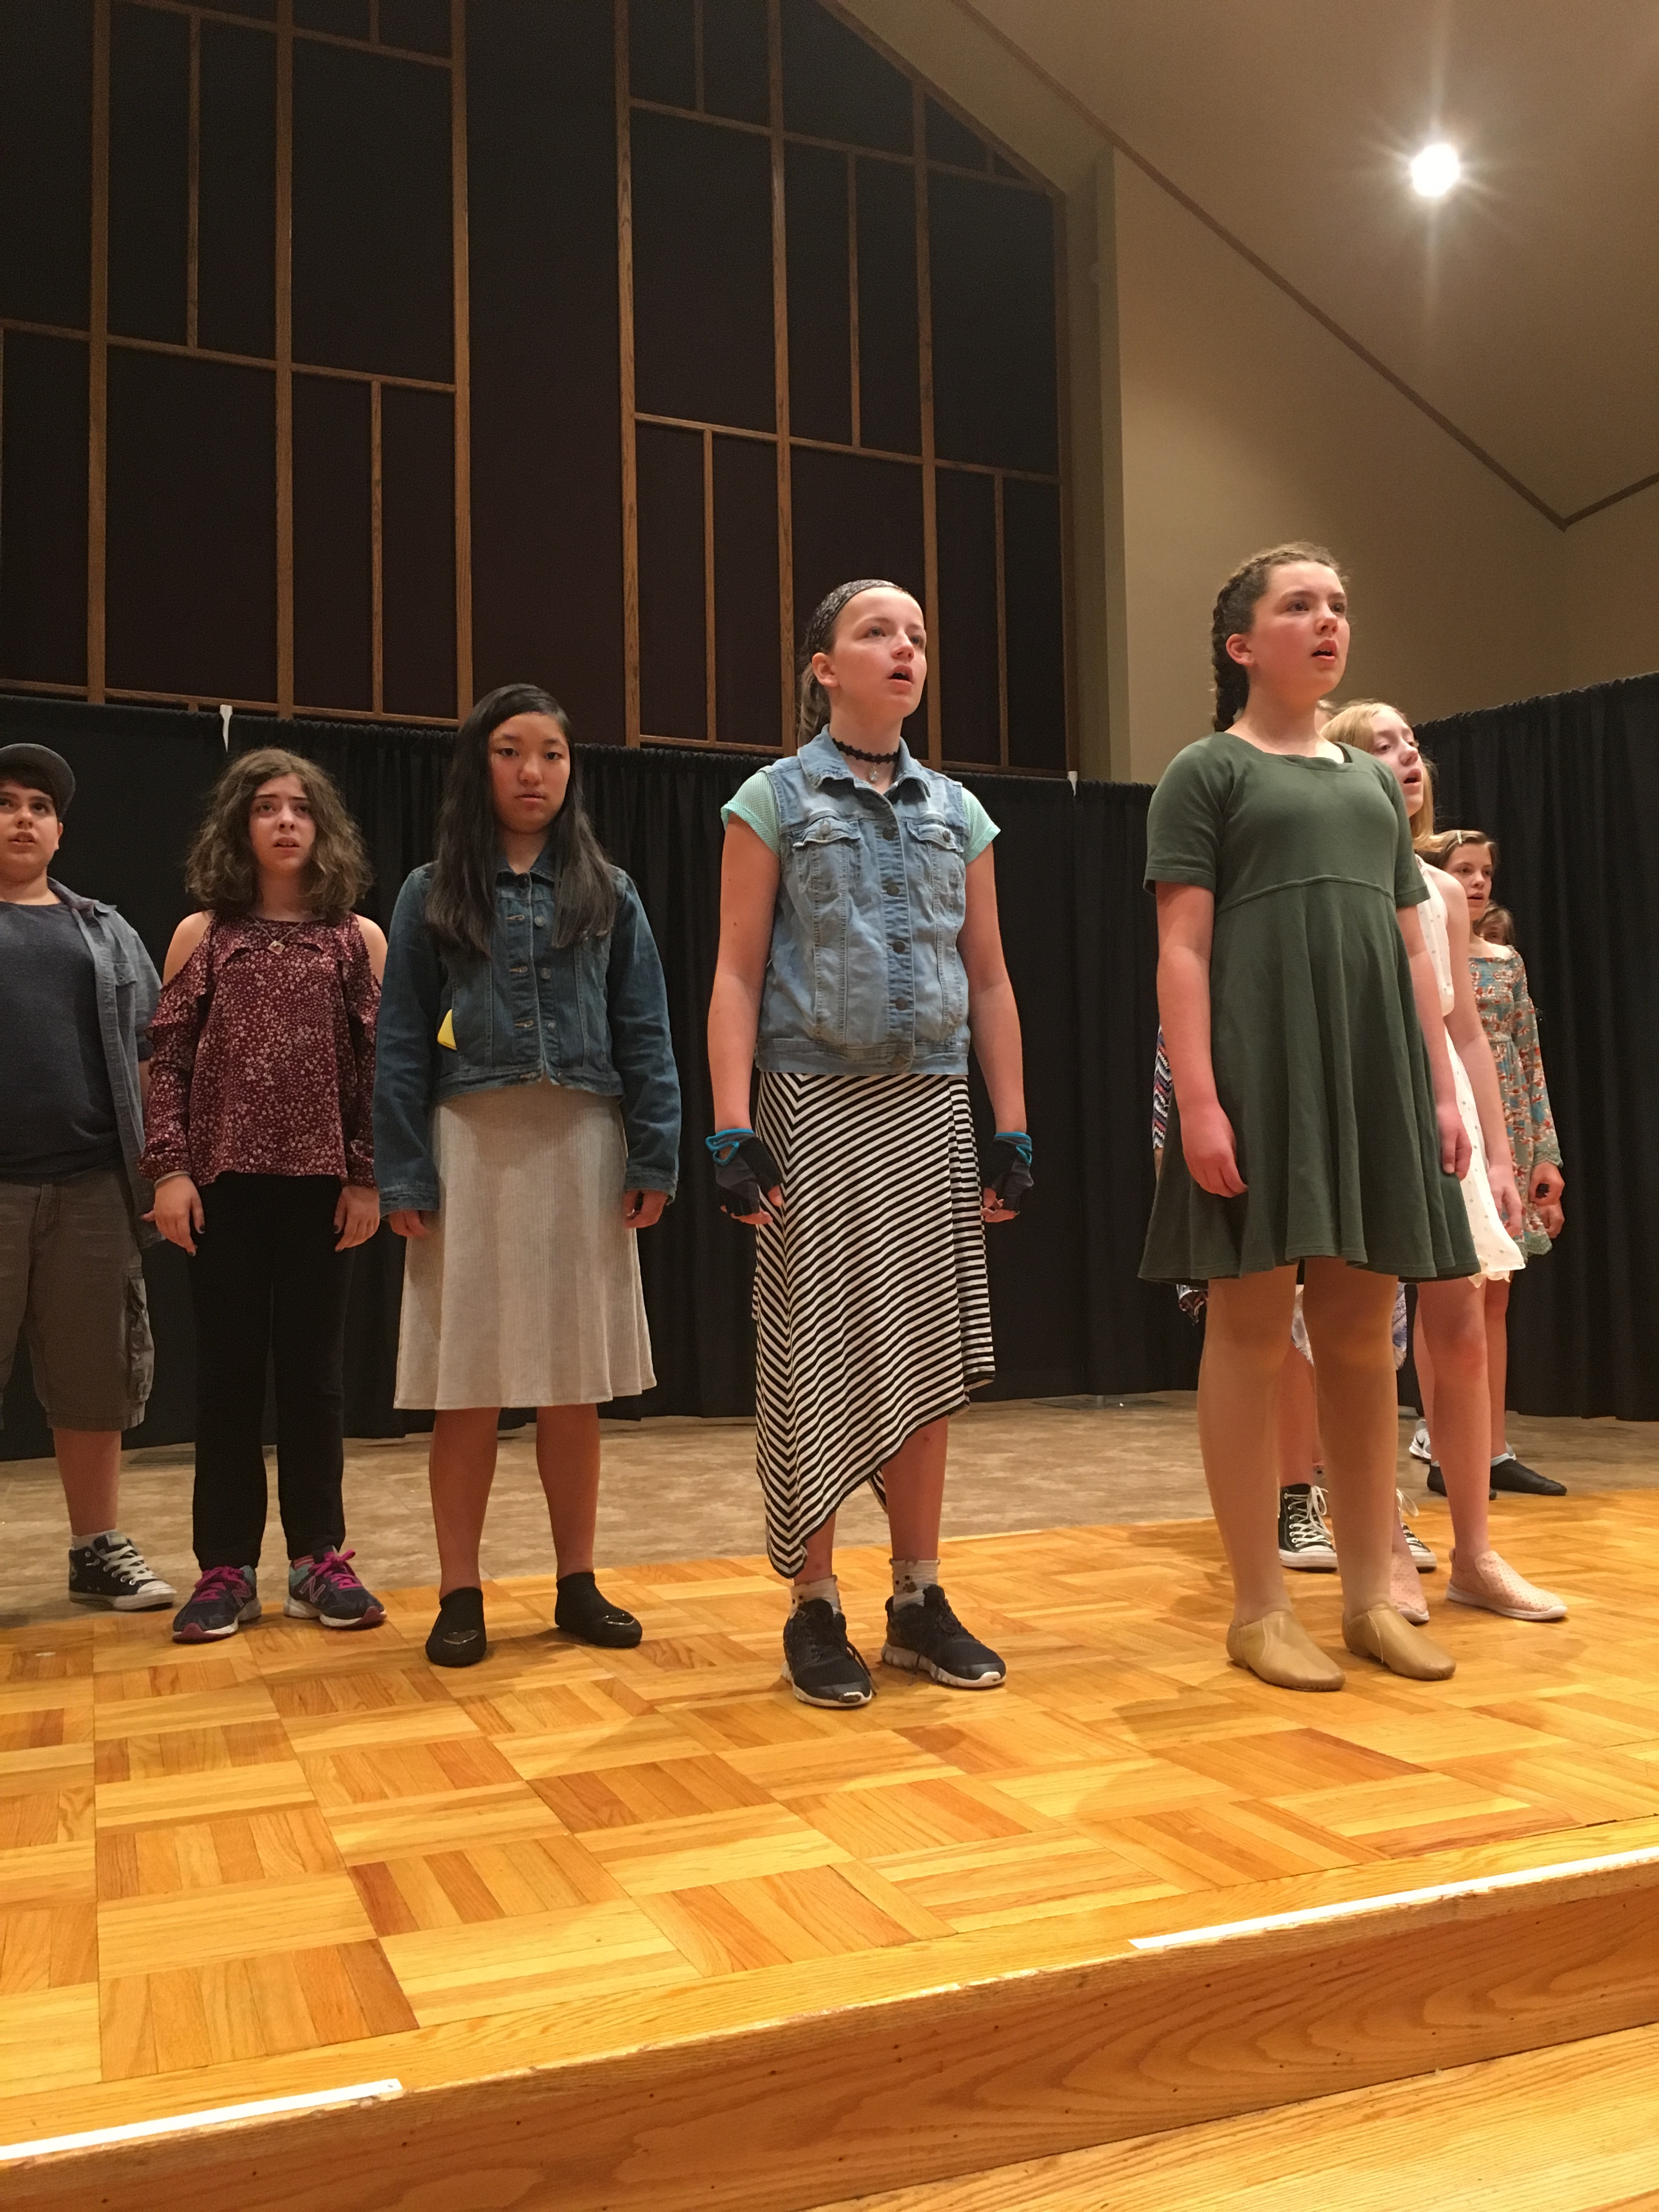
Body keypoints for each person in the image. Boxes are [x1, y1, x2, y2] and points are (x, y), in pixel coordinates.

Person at [1142, 543, 1477, 1692]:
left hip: (1369, 1074)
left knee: (1358, 1338)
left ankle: (1370, 1595)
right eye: (1299, 605)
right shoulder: (1205, 772)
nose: (1328, 620)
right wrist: (1199, 1099)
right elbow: (1181, 949)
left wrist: (1436, 1086)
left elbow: (1410, 945)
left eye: (1337, 604)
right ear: (1242, 644)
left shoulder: (1372, 787)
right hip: (1259, 1072)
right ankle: (1256, 1607)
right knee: (1247, 1331)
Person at [707, 579, 1030, 1711]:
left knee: (927, 1355)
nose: (904, 649)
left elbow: (989, 979)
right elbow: (736, 970)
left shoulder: (960, 812)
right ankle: (813, 1602)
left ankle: (917, 1599)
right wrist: (732, 1125)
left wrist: (1011, 1124)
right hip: (813, 1100)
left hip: (931, 1104)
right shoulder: (772, 799)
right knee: (814, 1350)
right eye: (877, 632)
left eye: (918, 637)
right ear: (823, 665)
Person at [375, 684, 679, 1669]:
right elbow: (400, 1043)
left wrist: (654, 1151)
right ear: (480, 765)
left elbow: (645, 1030)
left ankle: (576, 1582)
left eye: (552, 752)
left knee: (572, 1384)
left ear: (570, 770)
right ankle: (458, 1591)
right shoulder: (430, 890)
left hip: (582, 1140)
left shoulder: (608, 890)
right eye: (511, 750)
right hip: (467, 1142)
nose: (533, 771)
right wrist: (403, 1172)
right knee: (465, 1383)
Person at [144, 748, 387, 1642]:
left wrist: (367, 1175)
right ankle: (225, 1566)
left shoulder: (355, 939)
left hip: (323, 1188)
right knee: (228, 1379)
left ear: (323, 826)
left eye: (301, 808)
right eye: (267, 807)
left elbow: (377, 1068)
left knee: (315, 1380)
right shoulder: (204, 934)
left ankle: (317, 1557)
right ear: (239, 826)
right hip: (223, 1188)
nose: (285, 821)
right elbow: (166, 1061)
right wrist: (169, 1171)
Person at [1332, 704, 1565, 1621]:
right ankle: (1384, 1543)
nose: (1406, 758)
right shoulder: (1331, 875)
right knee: (1360, 1333)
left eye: (1410, 744)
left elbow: (1465, 1029)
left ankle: (1475, 1550)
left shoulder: (1439, 891)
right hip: (1366, 1100)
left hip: (1449, 1114)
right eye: (1380, 745)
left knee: (1461, 1324)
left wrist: (1501, 1154)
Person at [0, 744, 173, 1612]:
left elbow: (151, 1056)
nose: (22, 818)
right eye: (6, 802)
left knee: (95, 1378)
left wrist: (163, 1169)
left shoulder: (105, 931)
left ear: (60, 833)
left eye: (39, 807)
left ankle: (96, 1547)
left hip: (93, 1189)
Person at [1423, 828, 1567, 1497]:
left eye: (1485, 871)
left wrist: (1545, 1155)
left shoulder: (1506, 962)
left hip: (1507, 1126)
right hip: (1455, 1124)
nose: (1478, 883)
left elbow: (1529, 1060)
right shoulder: (1428, 952)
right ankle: (1442, 1445)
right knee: (1450, 1297)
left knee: (1497, 1295)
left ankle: (1492, 1448)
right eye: (1464, 870)